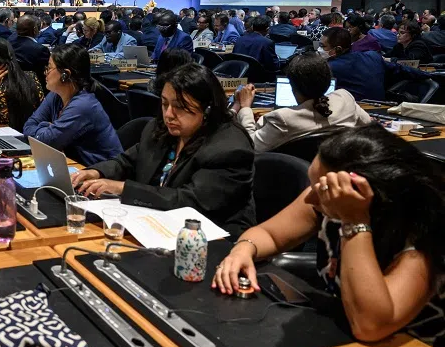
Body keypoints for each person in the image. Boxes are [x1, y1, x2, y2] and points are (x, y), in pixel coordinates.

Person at [212, 125, 445, 347]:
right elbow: (269, 234)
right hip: (341, 338)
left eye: (319, 189)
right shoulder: (326, 201)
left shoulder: (423, 237)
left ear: (363, 195)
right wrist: (243, 250)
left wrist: (354, 221)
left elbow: (370, 326)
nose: (310, 197)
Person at [72, 63, 255, 237]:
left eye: (179, 107)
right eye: (165, 103)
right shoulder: (161, 129)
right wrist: (96, 172)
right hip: (154, 223)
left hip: (211, 239)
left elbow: (189, 201)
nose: (168, 114)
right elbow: (127, 162)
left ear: (207, 110)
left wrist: (123, 188)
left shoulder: (229, 148)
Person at [233, 53, 372, 152]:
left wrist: (245, 108)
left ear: (293, 89)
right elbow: (370, 126)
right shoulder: (345, 98)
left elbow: (251, 146)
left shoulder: (282, 118)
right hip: (339, 172)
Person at [23, 45, 122, 165]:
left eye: (49, 68)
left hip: (102, 174)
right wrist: (48, 128)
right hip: (75, 166)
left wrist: (47, 128)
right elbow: (28, 126)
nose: (45, 73)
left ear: (65, 74)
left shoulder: (83, 105)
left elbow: (46, 142)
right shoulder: (55, 95)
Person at [322, 27, 429, 101]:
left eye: (323, 46)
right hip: (381, 109)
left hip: (352, 114)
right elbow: (404, 70)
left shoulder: (328, 67)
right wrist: (431, 75)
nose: (319, 49)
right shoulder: (373, 56)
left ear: (337, 49)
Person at [11, 15, 50, 80]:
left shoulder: (9, 41)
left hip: (12, 82)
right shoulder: (41, 50)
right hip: (35, 86)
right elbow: (44, 74)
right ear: (35, 29)